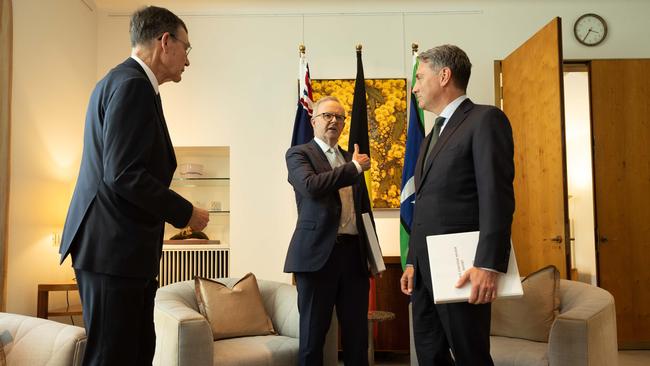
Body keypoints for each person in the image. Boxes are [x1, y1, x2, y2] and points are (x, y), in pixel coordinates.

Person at [59, 6, 209, 366]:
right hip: (113, 249)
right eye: (187, 48)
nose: (188, 60)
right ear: (165, 41)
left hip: (119, 250)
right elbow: (124, 173)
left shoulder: (123, 82)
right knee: (114, 356)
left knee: (136, 351)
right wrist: (185, 212)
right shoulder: (132, 85)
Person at [400, 45, 515, 366]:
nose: (415, 86)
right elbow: (424, 204)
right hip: (424, 273)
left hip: (463, 269)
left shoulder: (485, 120)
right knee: (429, 356)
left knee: (470, 357)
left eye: (420, 77)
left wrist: (488, 265)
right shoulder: (432, 134)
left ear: (444, 75)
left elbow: (497, 197)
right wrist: (412, 262)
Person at [284, 96, 374, 366]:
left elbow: (363, 210)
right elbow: (311, 186)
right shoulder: (299, 154)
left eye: (339, 117)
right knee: (313, 340)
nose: (334, 121)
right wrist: (354, 168)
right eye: (327, 116)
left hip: (354, 258)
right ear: (313, 121)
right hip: (316, 258)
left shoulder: (350, 157)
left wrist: (374, 256)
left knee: (357, 339)